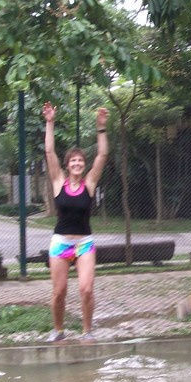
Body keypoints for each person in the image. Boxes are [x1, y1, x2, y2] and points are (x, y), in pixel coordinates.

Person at [43, 101, 109, 342]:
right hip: (60, 243)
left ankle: (87, 331)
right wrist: (50, 122)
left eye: (81, 161)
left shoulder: (89, 184)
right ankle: (58, 330)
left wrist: (101, 128)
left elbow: (102, 155)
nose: (77, 164)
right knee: (59, 292)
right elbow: (49, 152)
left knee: (86, 289)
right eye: (73, 161)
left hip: (84, 244)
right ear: (67, 165)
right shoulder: (58, 181)